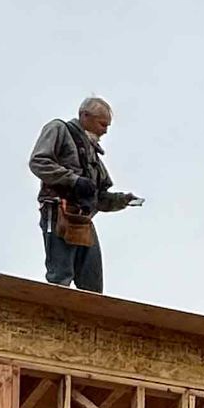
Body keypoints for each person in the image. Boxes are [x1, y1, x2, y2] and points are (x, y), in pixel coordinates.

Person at [28, 97, 140, 292]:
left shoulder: (93, 153)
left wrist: (122, 200)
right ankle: (54, 319)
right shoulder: (59, 130)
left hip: (82, 219)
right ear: (85, 116)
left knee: (92, 281)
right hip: (59, 211)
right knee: (60, 275)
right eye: (102, 123)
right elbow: (38, 162)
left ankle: (89, 321)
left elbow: (98, 197)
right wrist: (73, 180)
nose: (105, 130)